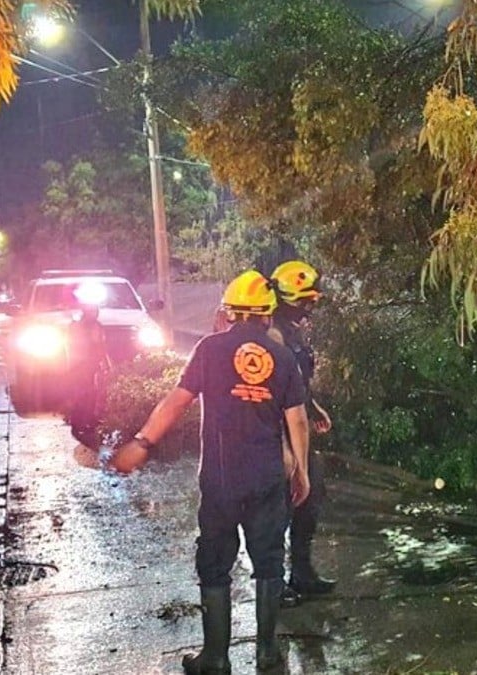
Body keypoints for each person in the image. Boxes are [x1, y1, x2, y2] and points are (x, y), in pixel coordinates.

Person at [106, 270, 312, 674]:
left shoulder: (209, 350)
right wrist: (301, 470)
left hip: (220, 480)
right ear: (268, 315)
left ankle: (215, 659)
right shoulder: (283, 358)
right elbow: (298, 421)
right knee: (269, 561)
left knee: (215, 563)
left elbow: (175, 402)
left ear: (231, 312)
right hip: (268, 479)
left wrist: (142, 443)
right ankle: (268, 654)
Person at [267, 260, 335, 606]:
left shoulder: (293, 331)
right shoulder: (272, 335)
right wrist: (287, 449)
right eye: (304, 302)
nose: (310, 308)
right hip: (280, 435)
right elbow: (276, 395)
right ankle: (273, 585)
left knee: (310, 502)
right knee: (280, 510)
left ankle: (303, 573)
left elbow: (298, 384)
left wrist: (314, 407)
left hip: (300, 428)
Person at [66, 301, 110, 448]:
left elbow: (100, 346)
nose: (95, 313)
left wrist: (104, 363)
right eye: (92, 310)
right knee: (84, 394)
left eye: (95, 310)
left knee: (89, 394)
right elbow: (98, 345)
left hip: (86, 366)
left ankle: (85, 421)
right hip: (81, 366)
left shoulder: (90, 326)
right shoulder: (80, 327)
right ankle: (81, 422)